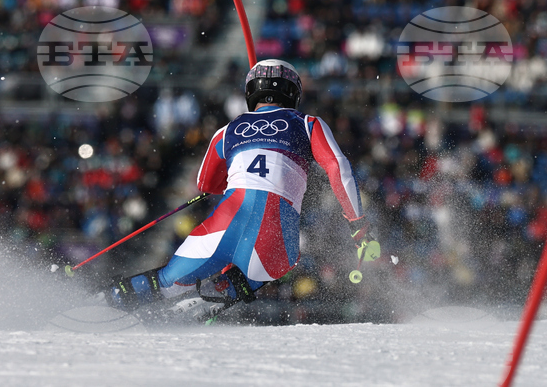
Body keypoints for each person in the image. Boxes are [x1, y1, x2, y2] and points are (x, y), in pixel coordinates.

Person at [110, 59, 378, 321]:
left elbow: (205, 184)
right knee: (275, 264)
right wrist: (358, 224)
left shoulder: (227, 130)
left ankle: (104, 302)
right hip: (274, 235)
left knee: (167, 281)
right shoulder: (308, 124)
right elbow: (338, 168)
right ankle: (213, 297)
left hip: (224, 222)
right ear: (293, 93)